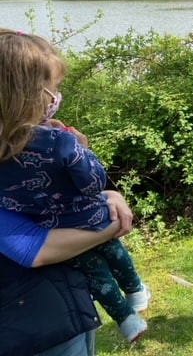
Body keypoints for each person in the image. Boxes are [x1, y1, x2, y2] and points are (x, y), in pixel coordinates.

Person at [0, 29, 150, 344]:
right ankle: (133, 296)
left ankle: (127, 315)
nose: (56, 98)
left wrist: (111, 195)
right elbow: (32, 249)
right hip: (35, 320)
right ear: (28, 94)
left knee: (95, 274)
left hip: (61, 300)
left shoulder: (21, 145)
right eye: (54, 89)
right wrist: (84, 152)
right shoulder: (57, 142)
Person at [0, 189, 133, 356]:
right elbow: (34, 249)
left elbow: (47, 200)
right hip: (33, 329)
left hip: (72, 303)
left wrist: (108, 197)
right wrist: (109, 224)